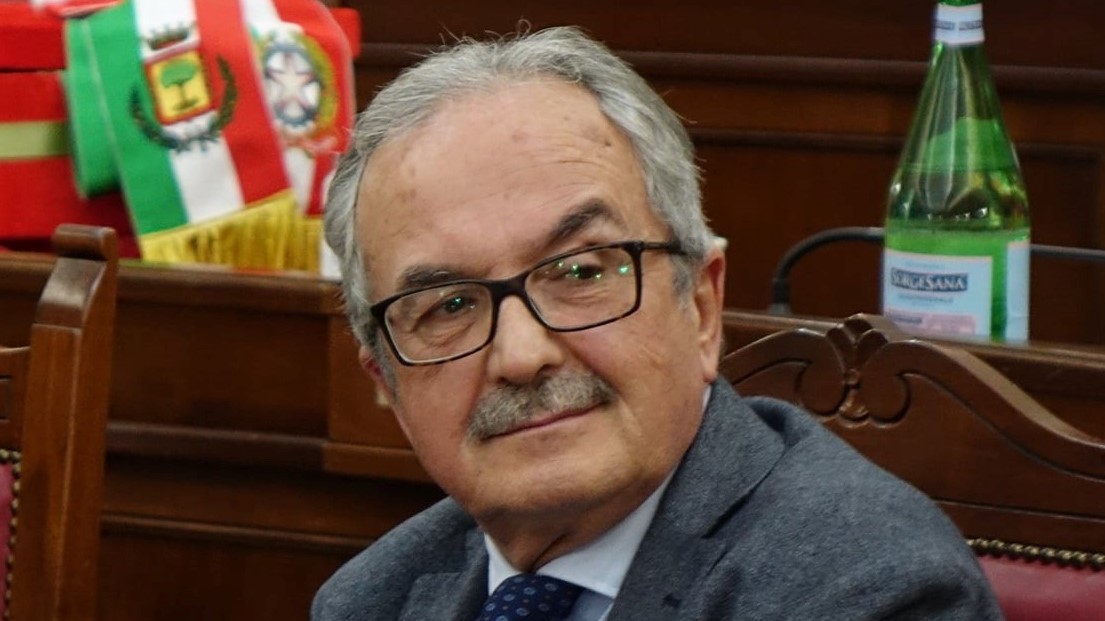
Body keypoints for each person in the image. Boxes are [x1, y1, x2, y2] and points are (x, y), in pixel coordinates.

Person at [313, 25, 1003, 621]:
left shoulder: (870, 588)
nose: (521, 355)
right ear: (387, 381)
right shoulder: (372, 599)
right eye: (450, 307)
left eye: (580, 271)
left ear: (701, 307)